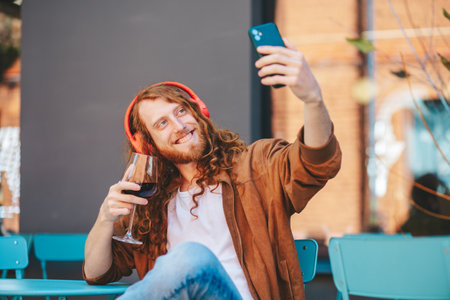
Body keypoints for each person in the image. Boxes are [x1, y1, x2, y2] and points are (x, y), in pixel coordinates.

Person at [83, 38, 342, 300]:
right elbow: (97, 273)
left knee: (189, 255)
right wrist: (105, 218)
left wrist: (312, 99)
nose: (179, 125)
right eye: (162, 123)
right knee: (186, 258)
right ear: (149, 145)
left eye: (181, 111)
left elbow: (316, 162)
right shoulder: (150, 206)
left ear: (199, 112)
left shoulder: (256, 165)